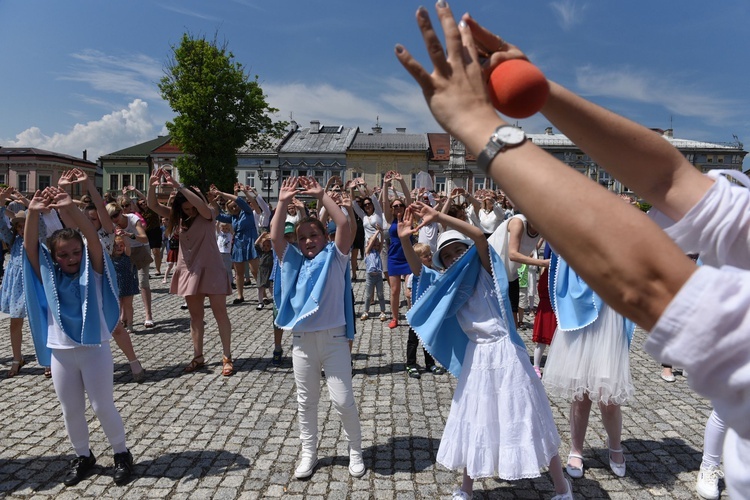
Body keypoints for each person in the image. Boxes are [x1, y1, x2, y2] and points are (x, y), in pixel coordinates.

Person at [395, 4, 748, 495]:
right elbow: (668, 177)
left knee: (544, 412)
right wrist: (538, 92)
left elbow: (644, 273)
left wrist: (481, 128)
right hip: (486, 354)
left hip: (510, 349)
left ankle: (572, 471)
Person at [400, 202, 571, 499]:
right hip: (477, 356)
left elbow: (480, 237)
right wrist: (405, 240)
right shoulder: (448, 286)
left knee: (528, 417)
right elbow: (419, 273)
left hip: (506, 351)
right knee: (475, 420)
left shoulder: (484, 268)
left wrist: (440, 217)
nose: (455, 257)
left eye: (458, 250)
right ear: (442, 262)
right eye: (448, 255)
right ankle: (466, 487)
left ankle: (561, 486)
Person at [23, 186, 134, 486]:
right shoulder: (50, 274)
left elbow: (93, 241)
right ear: (55, 257)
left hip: (94, 348)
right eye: (63, 254)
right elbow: (30, 248)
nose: (71, 258)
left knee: (102, 405)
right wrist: (33, 212)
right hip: (61, 352)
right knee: (71, 409)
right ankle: (83, 456)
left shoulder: (93, 271)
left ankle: (121, 453)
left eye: (75, 253)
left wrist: (69, 207)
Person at [271, 176, 365, 480]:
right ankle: (309, 453)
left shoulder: (336, 258)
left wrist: (322, 195)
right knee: (306, 400)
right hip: (302, 342)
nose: (309, 240)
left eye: (314, 235)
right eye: (303, 237)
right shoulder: (295, 262)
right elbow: (274, 238)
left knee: (342, 400)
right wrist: (283, 203)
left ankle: (355, 449)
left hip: (335, 340)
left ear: (325, 236)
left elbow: (344, 224)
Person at [543, 254, 634, 479]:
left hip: (609, 309)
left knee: (609, 397)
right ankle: (576, 450)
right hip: (581, 304)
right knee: (580, 394)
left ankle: (615, 447)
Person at [147, 169, 234, 376]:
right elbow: (152, 205)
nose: (189, 211)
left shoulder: (208, 213)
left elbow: (201, 207)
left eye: (191, 207)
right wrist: (152, 186)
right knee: (195, 317)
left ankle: (227, 357)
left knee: (220, 314)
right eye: (185, 209)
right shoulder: (177, 217)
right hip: (189, 269)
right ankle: (198, 356)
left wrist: (178, 186)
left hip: (211, 268)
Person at [402, 242, 444, 379]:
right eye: (426, 256)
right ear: (418, 259)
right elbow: (408, 293)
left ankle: (430, 363)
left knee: (427, 340)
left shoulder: (435, 272)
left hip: (429, 314)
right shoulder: (414, 276)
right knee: (413, 341)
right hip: (417, 314)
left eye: (430, 254)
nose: (429, 257)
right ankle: (411, 364)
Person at [212, 185, 258, 304]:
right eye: (231, 208)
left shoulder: (247, 212)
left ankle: (262, 294)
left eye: (235, 206)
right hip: (238, 243)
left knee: (255, 271)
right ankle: (240, 295)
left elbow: (239, 200)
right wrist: (213, 199)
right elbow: (217, 214)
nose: (234, 208)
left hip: (250, 241)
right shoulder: (232, 218)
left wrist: (222, 193)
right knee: (239, 272)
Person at [382, 171, 413, 329]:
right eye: (396, 206)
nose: (399, 207)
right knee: (394, 291)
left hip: (409, 257)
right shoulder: (390, 219)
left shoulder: (409, 217)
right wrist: (386, 184)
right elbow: (384, 203)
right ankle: (394, 317)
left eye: (401, 205)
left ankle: (412, 314)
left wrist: (402, 182)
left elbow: (409, 200)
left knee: (409, 291)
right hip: (394, 258)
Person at [531, 243, 558, 378]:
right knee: (542, 340)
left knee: (558, 340)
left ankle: (555, 366)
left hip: (557, 307)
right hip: (547, 305)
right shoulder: (547, 274)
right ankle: (536, 365)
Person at [360, 232, 387, 322]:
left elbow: (382, 242)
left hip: (378, 276)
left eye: (376, 245)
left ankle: (382, 312)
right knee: (368, 295)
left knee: (380, 294)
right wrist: (377, 232)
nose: (375, 246)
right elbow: (371, 242)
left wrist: (381, 233)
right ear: (368, 244)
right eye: (373, 244)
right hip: (370, 277)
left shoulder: (378, 252)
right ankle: (366, 311)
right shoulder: (367, 252)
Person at [254, 231, 273, 309]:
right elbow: (255, 244)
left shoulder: (272, 252)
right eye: (264, 245)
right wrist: (262, 236)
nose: (266, 247)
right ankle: (260, 302)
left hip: (270, 272)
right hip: (262, 272)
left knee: (271, 288)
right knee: (260, 288)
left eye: (268, 245)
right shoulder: (261, 252)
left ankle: (276, 301)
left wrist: (271, 238)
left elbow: (276, 244)